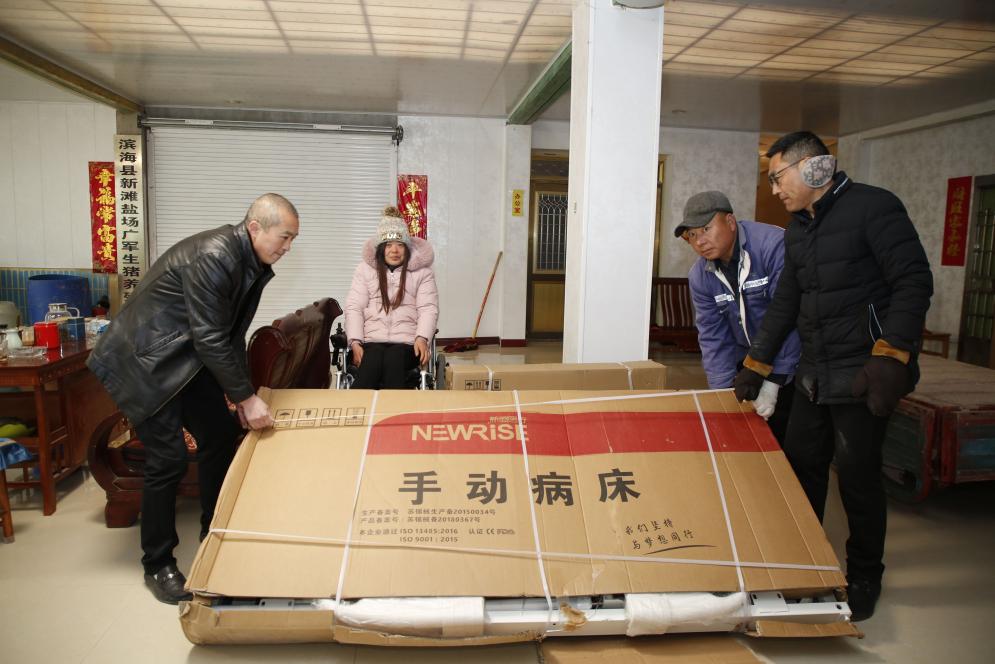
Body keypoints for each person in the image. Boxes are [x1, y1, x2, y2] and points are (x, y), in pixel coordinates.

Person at [733, 131, 932, 622]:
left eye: (778, 177)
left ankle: (864, 575)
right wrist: (756, 363)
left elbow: (913, 281)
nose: (774, 189)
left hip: (863, 372)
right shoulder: (798, 229)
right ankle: (803, 563)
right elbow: (788, 301)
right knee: (802, 468)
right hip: (814, 373)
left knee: (858, 478)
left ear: (814, 168)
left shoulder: (874, 208)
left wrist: (892, 355)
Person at [87, 193, 300, 604]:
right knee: (166, 458)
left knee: (219, 435)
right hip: (146, 361)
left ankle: (213, 533)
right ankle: (158, 563)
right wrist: (245, 397)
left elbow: (230, 335)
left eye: (293, 240)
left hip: (183, 359)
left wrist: (240, 395)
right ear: (255, 227)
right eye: (285, 237)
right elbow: (209, 336)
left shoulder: (250, 262)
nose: (288, 247)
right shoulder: (215, 255)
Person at [675, 190, 801, 445]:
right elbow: (713, 336)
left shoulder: (773, 246)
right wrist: (721, 393)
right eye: (692, 235)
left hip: (796, 361)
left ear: (730, 222)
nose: (700, 241)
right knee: (749, 440)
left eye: (706, 229)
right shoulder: (700, 276)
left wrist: (775, 380)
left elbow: (790, 315)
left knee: (793, 445)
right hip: (749, 362)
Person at [345, 206, 438, 389]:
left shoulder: (422, 273)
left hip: (407, 343)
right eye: (388, 245)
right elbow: (354, 307)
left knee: (394, 358)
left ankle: (392, 407)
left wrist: (422, 338)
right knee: (373, 359)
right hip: (372, 341)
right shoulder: (364, 270)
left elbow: (428, 308)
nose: (394, 250)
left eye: (400, 244)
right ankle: (358, 406)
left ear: (407, 247)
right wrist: (355, 342)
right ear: (381, 248)